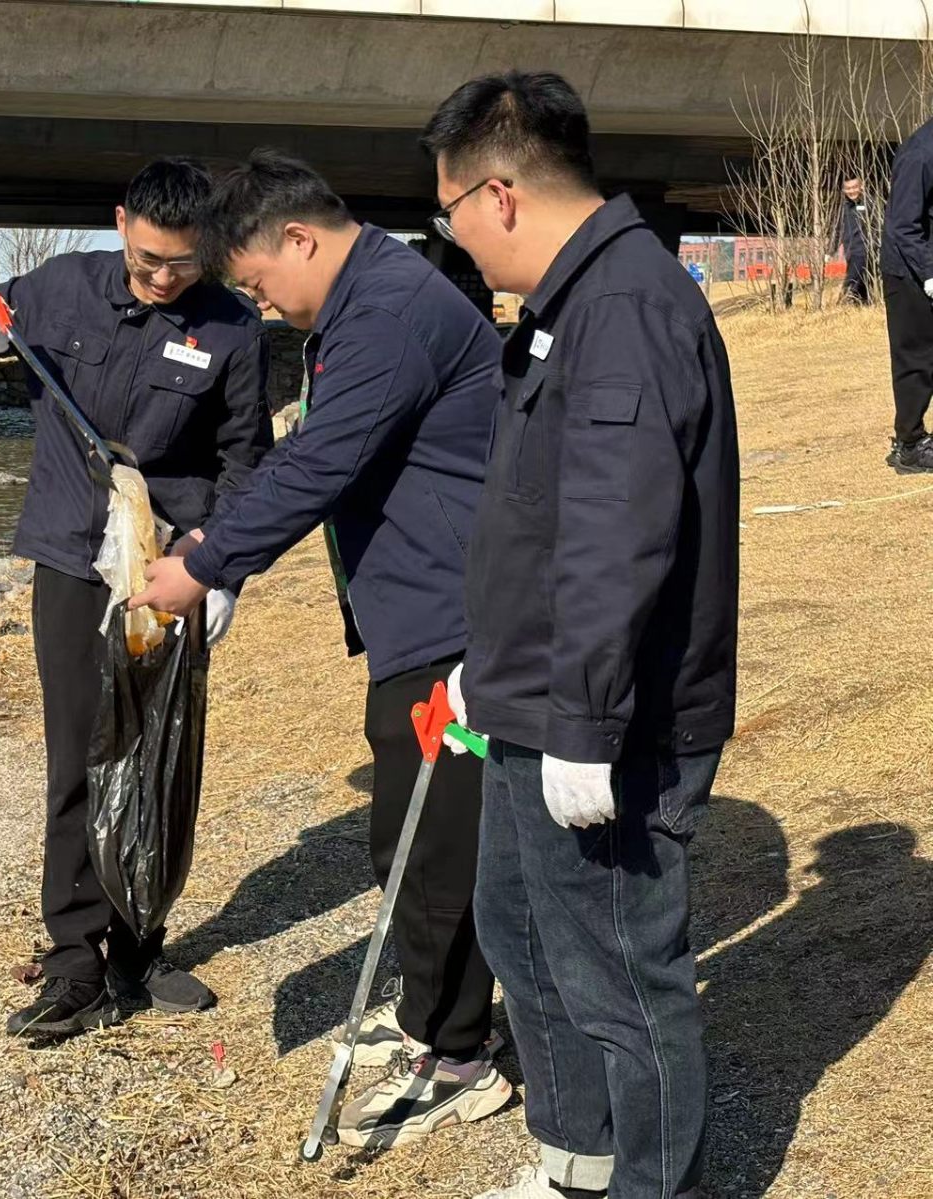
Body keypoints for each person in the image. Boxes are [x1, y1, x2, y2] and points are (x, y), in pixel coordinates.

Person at [131, 149, 510, 1148]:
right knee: (416, 840)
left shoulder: (383, 315)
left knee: (429, 847)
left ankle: (457, 1056)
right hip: (418, 612)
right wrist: (214, 539)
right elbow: (306, 450)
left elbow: (319, 465)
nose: (262, 305)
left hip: (454, 616)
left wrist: (205, 564)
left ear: (298, 239)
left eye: (258, 283)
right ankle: (436, 1018)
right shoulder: (363, 301)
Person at [420, 71, 739, 1199]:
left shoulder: (626, 306)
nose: (453, 241)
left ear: (497, 195)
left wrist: (586, 723)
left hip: (610, 716)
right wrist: (489, 665)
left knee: (619, 976)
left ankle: (652, 1184)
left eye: (447, 215)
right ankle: (577, 1162)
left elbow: (617, 531)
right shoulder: (571, 305)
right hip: (536, 693)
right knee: (521, 934)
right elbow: (544, 519)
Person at [0, 158, 273, 1039]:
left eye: (183, 263)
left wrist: (219, 566)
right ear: (121, 224)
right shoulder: (62, 288)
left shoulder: (233, 328)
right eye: (149, 259)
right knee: (79, 760)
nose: (163, 278)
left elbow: (245, 464)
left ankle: (138, 948)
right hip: (71, 559)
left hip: (166, 570)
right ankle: (75, 962)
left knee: (150, 759)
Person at [882, 118, 933, 472]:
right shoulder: (921, 153)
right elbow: (903, 225)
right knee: (916, 358)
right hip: (908, 271)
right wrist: (929, 274)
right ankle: (910, 445)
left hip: (925, 261)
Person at [835, 177, 872, 305]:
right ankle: (863, 304)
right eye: (848, 188)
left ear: (861, 187)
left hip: (863, 249)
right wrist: (831, 250)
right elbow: (837, 229)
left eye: (854, 187)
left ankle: (842, 304)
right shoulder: (844, 207)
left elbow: (877, 226)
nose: (851, 191)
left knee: (852, 279)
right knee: (862, 280)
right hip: (849, 250)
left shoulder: (869, 204)